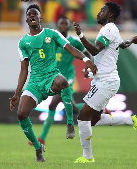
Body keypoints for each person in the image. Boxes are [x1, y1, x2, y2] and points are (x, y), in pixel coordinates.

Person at [9, 4, 97, 162]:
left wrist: (85, 60)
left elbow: (70, 48)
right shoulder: (23, 42)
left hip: (52, 77)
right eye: (29, 15)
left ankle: (70, 123)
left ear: (40, 18)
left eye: (35, 14)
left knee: (63, 82)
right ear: (26, 20)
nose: (32, 16)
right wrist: (17, 94)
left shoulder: (51, 34)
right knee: (21, 114)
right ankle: (38, 147)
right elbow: (23, 70)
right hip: (35, 82)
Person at [73, 1, 137, 163]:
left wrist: (80, 35)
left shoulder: (108, 29)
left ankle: (88, 157)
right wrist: (132, 40)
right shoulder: (112, 30)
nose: (99, 12)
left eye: (103, 10)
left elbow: (95, 49)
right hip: (104, 81)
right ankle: (131, 119)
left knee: (82, 117)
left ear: (111, 15)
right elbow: (122, 45)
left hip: (106, 82)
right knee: (94, 120)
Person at [28, 16, 91, 146]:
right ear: (58, 26)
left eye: (65, 24)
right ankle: (95, 107)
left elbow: (87, 54)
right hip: (55, 77)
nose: (63, 26)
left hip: (68, 77)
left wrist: (87, 67)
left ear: (68, 26)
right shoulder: (51, 40)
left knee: (53, 105)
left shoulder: (73, 41)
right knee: (73, 108)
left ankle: (42, 138)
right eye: (60, 24)